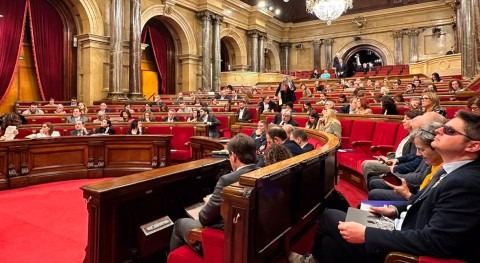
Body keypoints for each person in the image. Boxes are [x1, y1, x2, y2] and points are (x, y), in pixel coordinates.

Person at [289, 110, 480, 263]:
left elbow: (436, 241)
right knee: (331, 244)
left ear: (473, 146)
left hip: (403, 245)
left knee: (329, 216)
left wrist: (367, 234)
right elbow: (425, 204)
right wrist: (394, 210)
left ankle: (311, 259)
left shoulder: (466, 182)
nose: (438, 130)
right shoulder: (451, 169)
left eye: (449, 131)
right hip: (400, 224)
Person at [169, 134, 258, 253]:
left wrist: (208, 203)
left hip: (224, 238)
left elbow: (204, 218)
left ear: (234, 156)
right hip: (252, 235)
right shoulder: (261, 171)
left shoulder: (227, 180)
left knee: (179, 223)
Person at [368, 121, 445, 201]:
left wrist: (407, 194)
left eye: (421, 149)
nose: (418, 154)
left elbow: (423, 202)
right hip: (414, 189)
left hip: (414, 191)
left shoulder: (442, 168)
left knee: (374, 192)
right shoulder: (433, 160)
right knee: (374, 180)